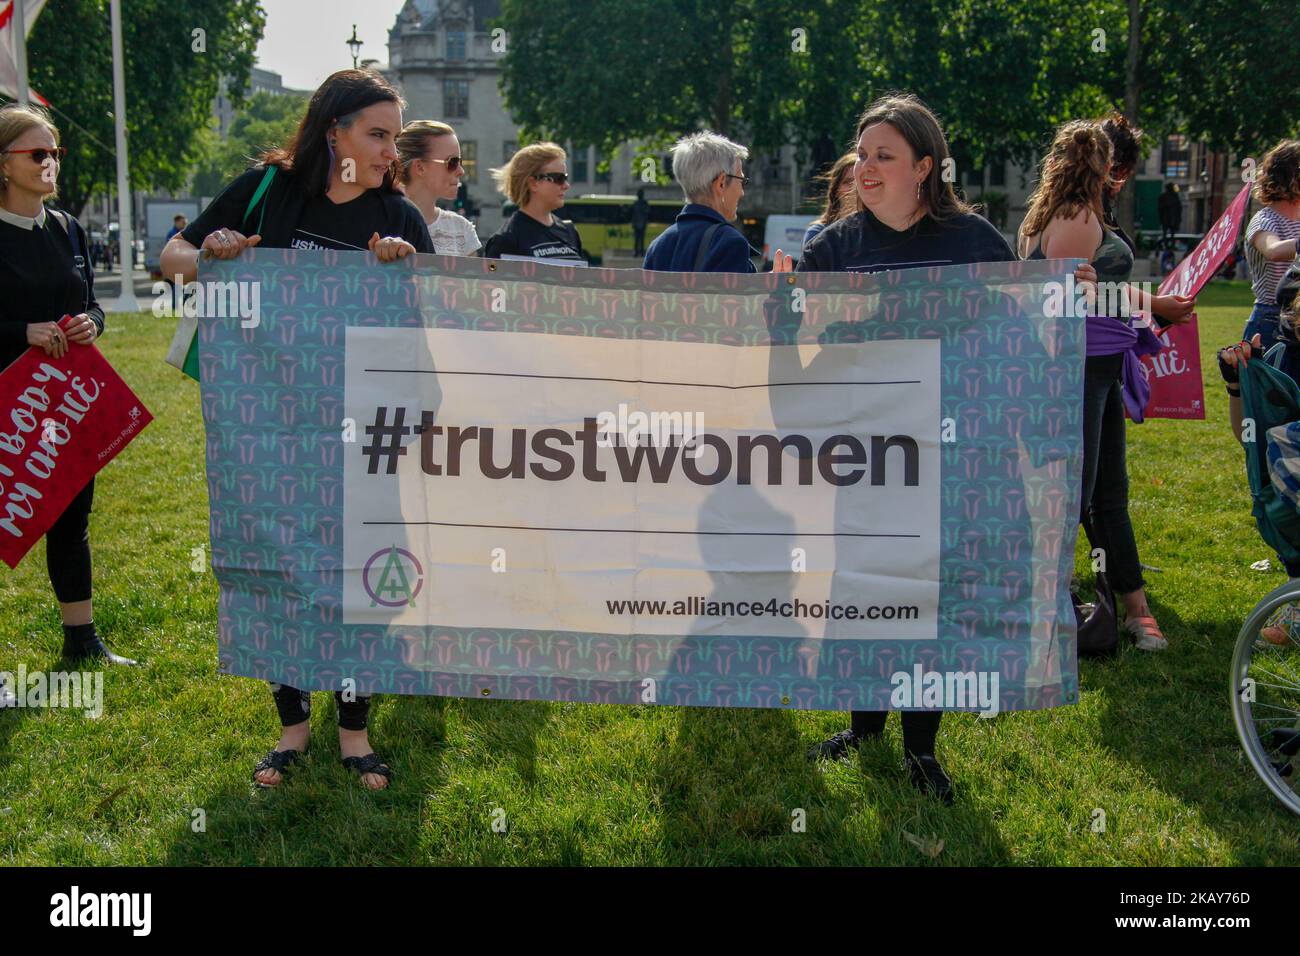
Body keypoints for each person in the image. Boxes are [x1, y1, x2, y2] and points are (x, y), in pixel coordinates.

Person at [798, 93, 1096, 803]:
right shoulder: (832, 248)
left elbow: (1016, 346)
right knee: (866, 589)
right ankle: (864, 728)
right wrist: (786, 313)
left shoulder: (975, 244)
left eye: (884, 157)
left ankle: (922, 749)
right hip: (868, 456)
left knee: (932, 593)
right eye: (863, 155)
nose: (866, 169)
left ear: (925, 166)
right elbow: (803, 367)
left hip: (953, 455)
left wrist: (1063, 301)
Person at [162, 68, 435, 792]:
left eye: (394, 137)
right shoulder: (267, 191)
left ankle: (354, 732)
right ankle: (292, 729)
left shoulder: (401, 217)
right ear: (332, 131)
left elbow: (430, 321)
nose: (388, 151)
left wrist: (404, 273)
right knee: (275, 562)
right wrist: (212, 252)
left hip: (359, 429)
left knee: (357, 571)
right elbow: (172, 259)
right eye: (377, 134)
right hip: (269, 428)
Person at [1018, 117, 1193, 654]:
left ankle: (1127, 608)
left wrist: (1147, 303)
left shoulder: (1071, 213)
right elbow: (1066, 303)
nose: (1117, 178)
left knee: (1103, 491)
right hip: (1078, 365)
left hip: (1098, 364)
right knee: (1075, 493)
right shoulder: (1072, 217)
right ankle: (1044, 612)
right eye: (1110, 167)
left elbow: (1098, 289)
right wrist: (1152, 305)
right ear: (1095, 166)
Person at [0, 104, 137, 667]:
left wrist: (91, 323)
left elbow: (93, 307)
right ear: (4, 164)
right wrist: (20, 332)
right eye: (37, 154)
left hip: (62, 403)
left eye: (55, 152)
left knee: (70, 518)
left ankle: (82, 641)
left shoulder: (68, 228)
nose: (50, 163)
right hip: (7, 403)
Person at [643, 130, 759, 273]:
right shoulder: (730, 243)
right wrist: (775, 290)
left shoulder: (658, 246)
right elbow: (732, 296)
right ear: (721, 183)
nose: (742, 192)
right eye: (742, 180)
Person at [1241, 140, 1300, 367]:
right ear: (1292, 177)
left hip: (1296, 317)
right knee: (1267, 397)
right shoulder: (1264, 220)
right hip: (1271, 320)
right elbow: (1273, 251)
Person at [482, 142, 587, 263]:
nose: (566, 185)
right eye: (559, 179)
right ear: (533, 183)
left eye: (565, 177)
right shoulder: (506, 239)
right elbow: (494, 280)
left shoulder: (570, 231)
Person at [395, 119, 480, 256]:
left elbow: (473, 278)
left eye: (460, 162)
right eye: (452, 162)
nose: (461, 171)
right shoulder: (382, 223)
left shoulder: (462, 230)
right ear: (420, 167)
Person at [802, 151, 859, 250]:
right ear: (836, 189)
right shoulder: (818, 233)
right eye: (848, 182)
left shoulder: (879, 231)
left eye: (858, 181)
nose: (854, 187)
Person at [1157, 182, 1181, 247]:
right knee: (1168, 232)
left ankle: (1169, 245)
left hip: (1170, 217)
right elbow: (1160, 208)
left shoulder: (1174, 196)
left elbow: (1179, 208)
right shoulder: (1165, 196)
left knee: (1170, 232)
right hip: (1168, 217)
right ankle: (1167, 245)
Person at [631, 187, 651, 257]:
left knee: (641, 239)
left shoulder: (644, 203)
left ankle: (641, 252)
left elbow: (647, 212)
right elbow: (633, 214)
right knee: (637, 239)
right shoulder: (635, 203)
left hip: (642, 223)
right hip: (637, 224)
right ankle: (636, 252)